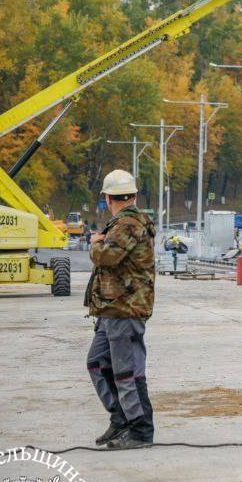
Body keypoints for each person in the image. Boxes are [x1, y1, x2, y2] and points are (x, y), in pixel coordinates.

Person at [85, 169, 156, 450]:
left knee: (126, 372)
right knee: (98, 363)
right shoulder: (124, 222)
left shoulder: (127, 224)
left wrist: (96, 243)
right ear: (134, 194)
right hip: (112, 308)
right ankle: (121, 418)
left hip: (125, 308)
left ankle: (140, 430)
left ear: (108, 198)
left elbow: (107, 257)